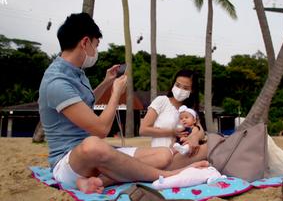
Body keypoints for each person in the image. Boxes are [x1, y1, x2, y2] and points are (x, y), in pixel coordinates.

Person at [38, 13, 208, 194]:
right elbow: (101, 130)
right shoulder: (57, 81)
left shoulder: (76, 73)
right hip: (69, 161)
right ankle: (166, 175)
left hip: (96, 156)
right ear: (85, 42)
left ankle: (100, 180)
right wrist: (116, 92)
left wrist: (106, 82)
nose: (96, 51)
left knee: (164, 153)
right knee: (93, 145)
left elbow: (82, 104)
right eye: (96, 45)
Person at [140, 69, 283, 177]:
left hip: (192, 151)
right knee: (244, 140)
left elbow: (199, 129)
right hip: (168, 156)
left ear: (192, 90)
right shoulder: (162, 101)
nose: (180, 89)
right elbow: (143, 129)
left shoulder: (190, 109)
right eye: (178, 85)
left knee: (259, 137)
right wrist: (173, 133)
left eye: (186, 87)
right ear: (173, 84)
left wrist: (194, 138)